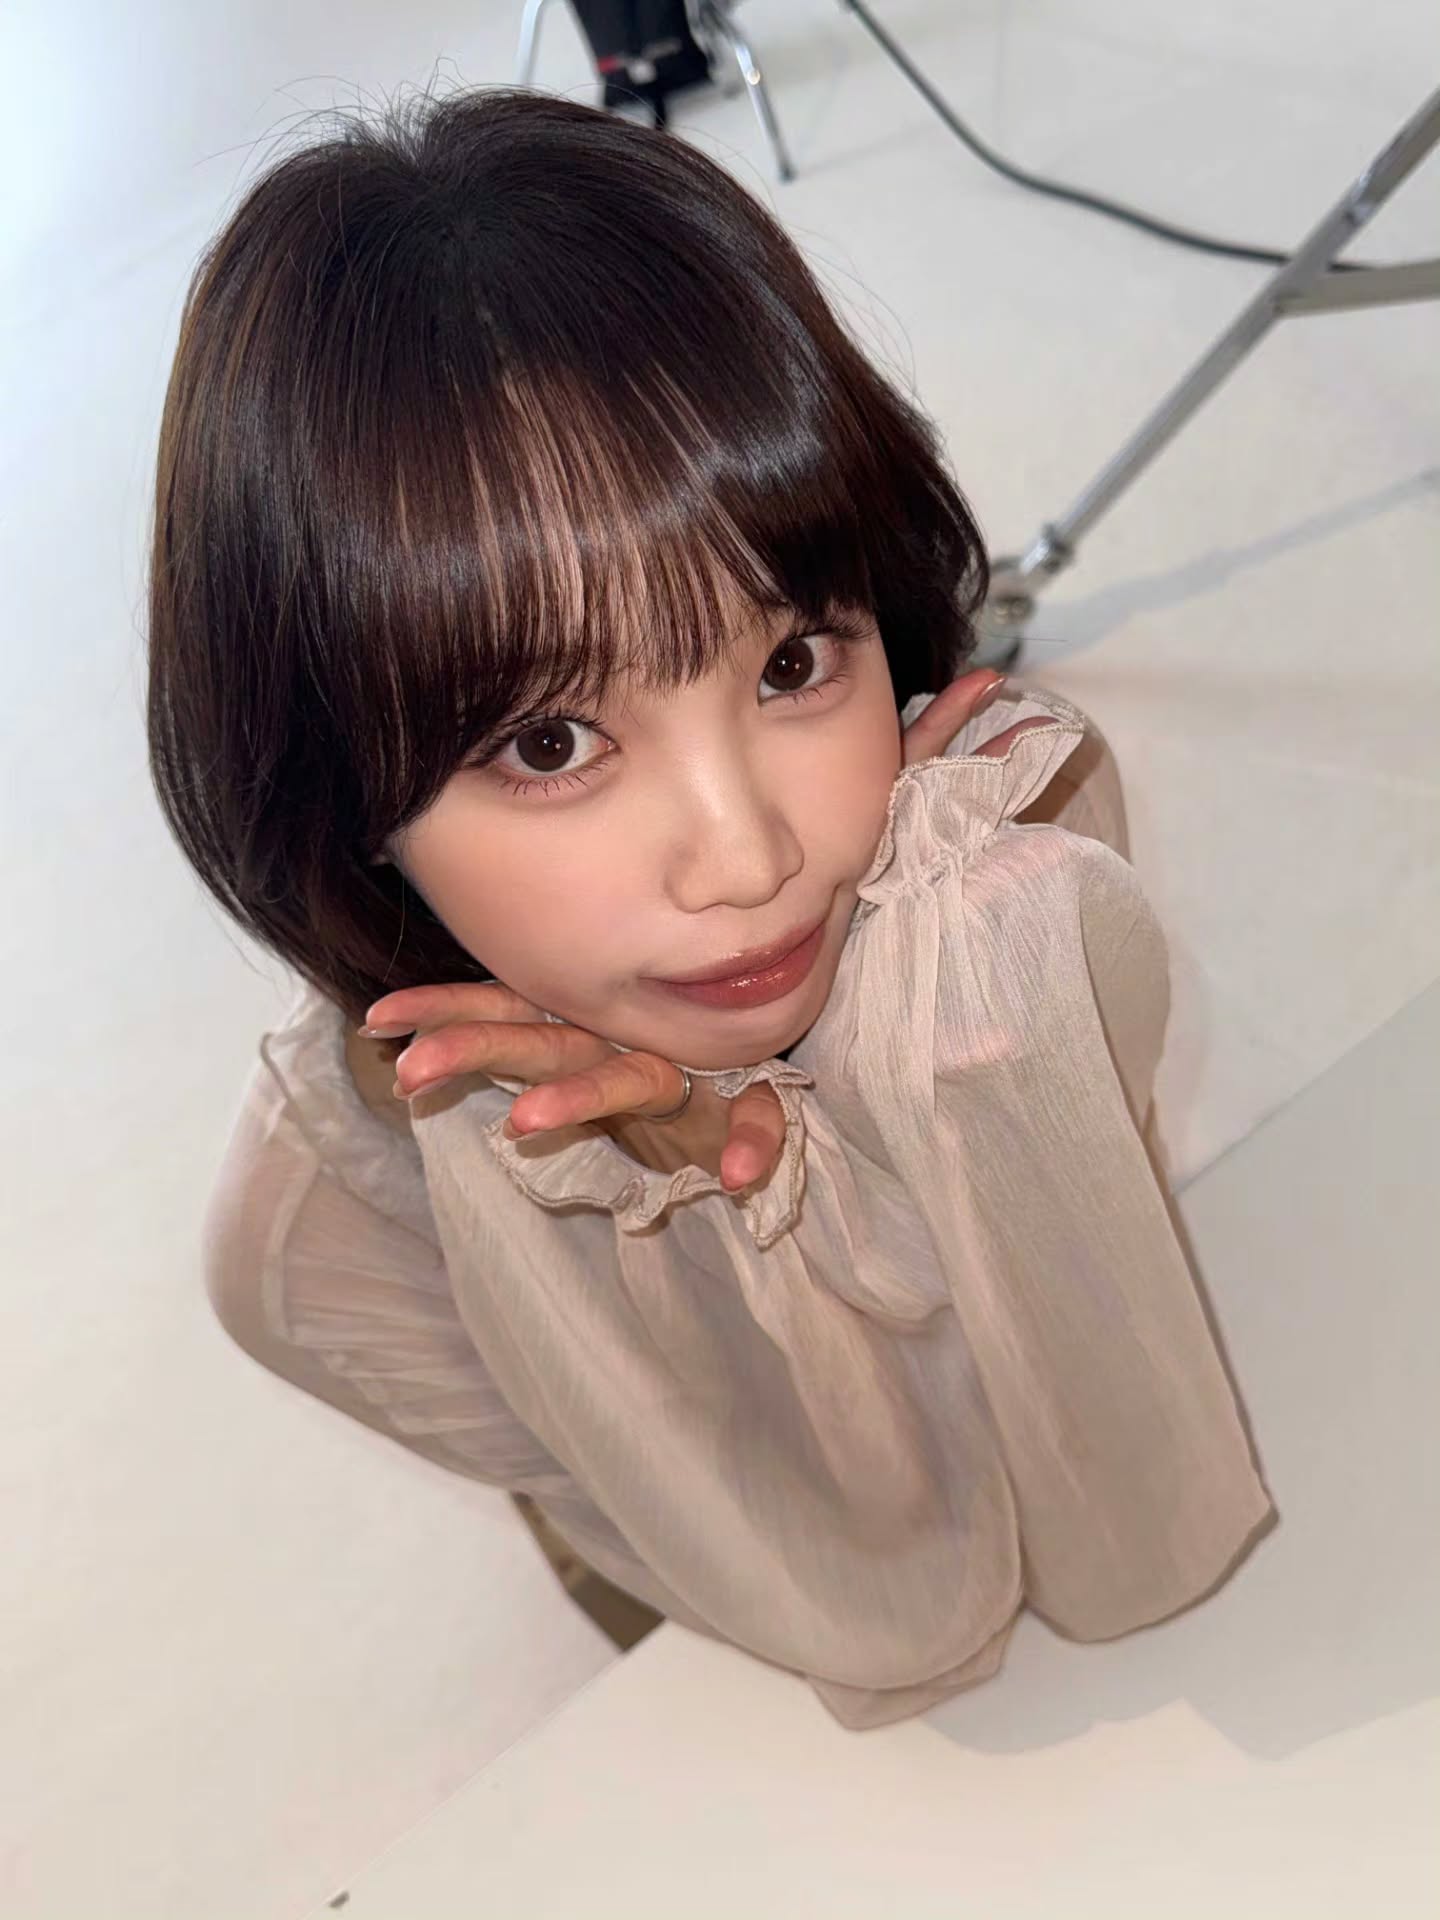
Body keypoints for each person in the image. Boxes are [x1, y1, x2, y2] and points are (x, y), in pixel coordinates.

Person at [148, 87, 1275, 1731]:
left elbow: (1102, 1424)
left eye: (792, 661)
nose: (746, 857)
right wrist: (691, 1240)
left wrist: (918, 1034)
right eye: (550, 744)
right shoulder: (319, 1238)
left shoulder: (984, 843)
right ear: (343, 802)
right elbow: (867, 1592)